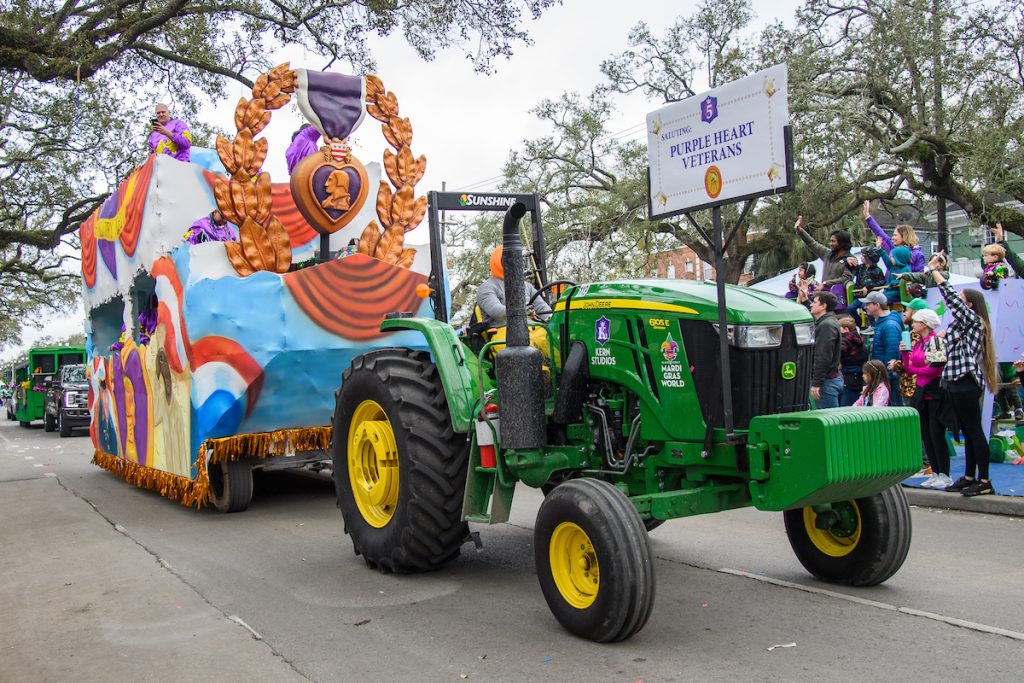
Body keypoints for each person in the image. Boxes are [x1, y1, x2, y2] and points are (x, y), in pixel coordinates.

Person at [929, 255, 999, 496]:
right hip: (956, 382)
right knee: (969, 432)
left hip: (966, 382)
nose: (958, 303)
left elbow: (950, 299)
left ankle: (985, 480)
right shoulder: (963, 325)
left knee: (975, 431)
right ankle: (970, 476)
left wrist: (934, 272)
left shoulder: (973, 321)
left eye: (962, 300)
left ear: (968, 305)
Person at [895, 308, 955, 489]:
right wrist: (905, 354)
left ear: (925, 324)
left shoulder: (935, 340)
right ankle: (936, 472)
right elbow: (910, 366)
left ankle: (944, 473)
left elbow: (934, 368)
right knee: (927, 434)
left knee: (936, 433)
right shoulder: (919, 343)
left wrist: (915, 369)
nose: (913, 325)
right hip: (921, 391)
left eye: (916, 322)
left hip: (934, 390)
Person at [477, 246, 552, 353]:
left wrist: (553, 318)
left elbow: (543, 308)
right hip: (503, 330)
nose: (513, 264)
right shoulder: (487, 287)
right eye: (508, 260)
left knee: (558, 338)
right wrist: (519, 311)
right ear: (498, 262)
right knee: (522, 351)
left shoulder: (527, 286)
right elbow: (495, 309)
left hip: (532, 328)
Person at [860, 290, 905, 406]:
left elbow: (892, 354)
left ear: (877, 305)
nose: (865, 307)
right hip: (883, 376)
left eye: (868, 304)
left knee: (894, 410)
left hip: (888, 378)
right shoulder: (882, 322)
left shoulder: (889, 325)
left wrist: (885, 377)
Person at [794, 216, 854, 292]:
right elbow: (812, 243)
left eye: (833, 241)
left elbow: (846, 279)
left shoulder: (851, 260)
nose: (830, 244)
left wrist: (825, 283)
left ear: (842, 243)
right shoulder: (828, 254)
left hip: (839, 299)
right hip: (823, 296)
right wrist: (800, 230)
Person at [862, 201, 925, 272]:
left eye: (895, 235)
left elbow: (919, 275)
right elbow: (880, 233)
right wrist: (868, 217)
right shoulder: (893, 246)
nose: (892, 238)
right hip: (891, 282)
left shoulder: (917, 254)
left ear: (904, 236)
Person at [809, 291, 843, 409]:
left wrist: (816, 383)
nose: (811, 305)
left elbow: (823, 356)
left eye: (814, 302)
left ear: (823, 306)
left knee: (830, 422)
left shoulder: (826, 325)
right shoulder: (827, 322)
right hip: (828, 380)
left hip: (826, 383)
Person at [839, 316, 868, 406]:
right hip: (858, 376)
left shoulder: (844, 340)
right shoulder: (859, 340)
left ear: (845, 329)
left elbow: (839, 350)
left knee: (846, 406)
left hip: (848, 377)